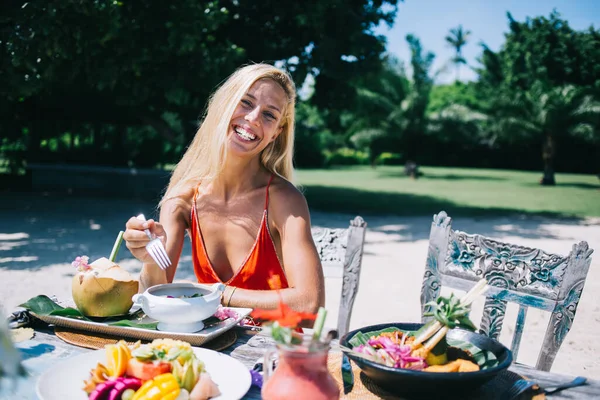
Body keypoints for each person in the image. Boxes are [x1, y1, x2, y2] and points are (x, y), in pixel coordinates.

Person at [123, 63, 325, 317]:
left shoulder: (284, 200)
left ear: (276, 134)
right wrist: (151, 259)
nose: (252, 119)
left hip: (272, 350)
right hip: (211, 348)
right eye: (246, 103)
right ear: (224, 105)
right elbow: (154, 301)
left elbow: (309, 305)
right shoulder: (182, 199)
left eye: (269, 115)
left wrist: (217, 294)